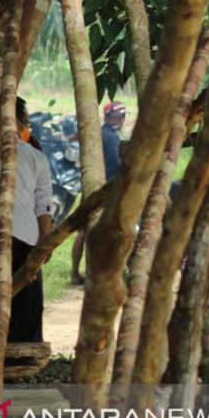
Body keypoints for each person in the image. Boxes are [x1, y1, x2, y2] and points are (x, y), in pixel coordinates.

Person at [0, 97, 53, 344]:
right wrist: (44, 239)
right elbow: (44, 205)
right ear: (19, 122)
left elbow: (43, 203)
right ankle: (22, 350)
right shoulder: (34, 156)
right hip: (26, 236)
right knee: (24, 302)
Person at [71, 100, 126, 286]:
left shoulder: (98, 134)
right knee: (98, 230)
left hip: (90, 186)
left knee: (84, 231)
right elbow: (118, 165)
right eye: (119, 116)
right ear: (111, 117)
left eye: (122, 116)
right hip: (105, 189)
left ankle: (75, 272)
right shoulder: (111, 138)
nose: (121, 119)